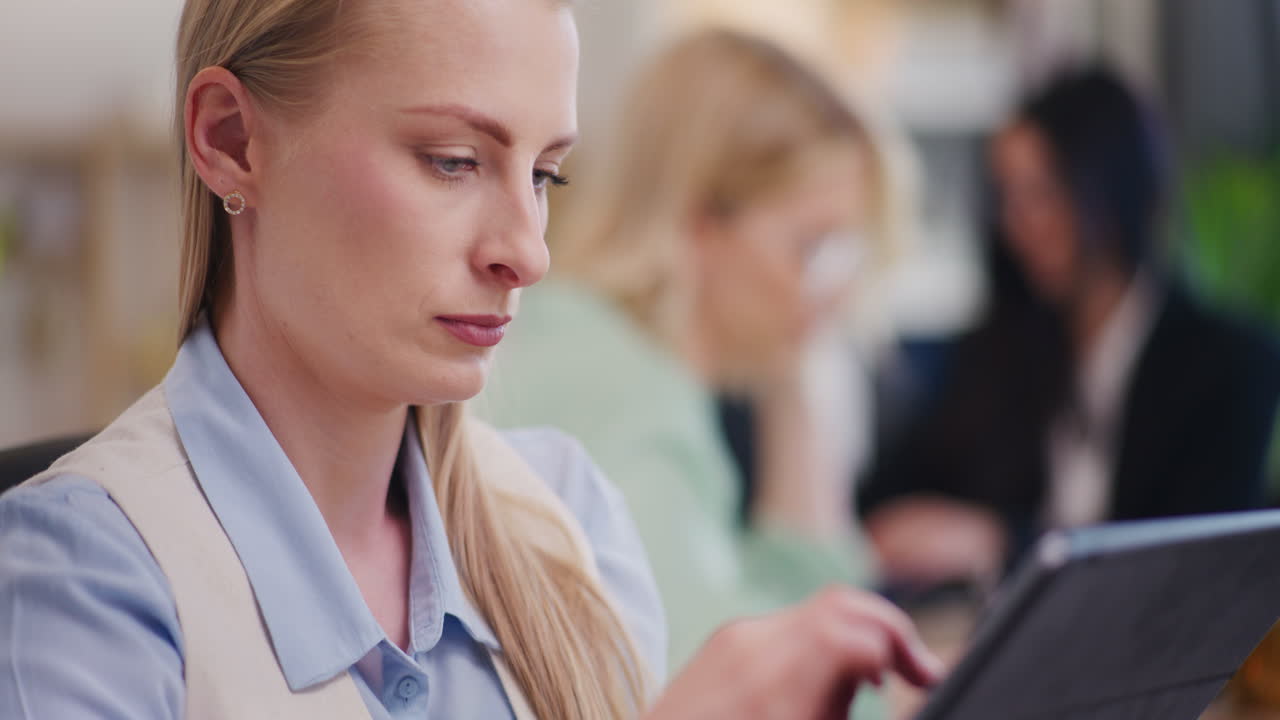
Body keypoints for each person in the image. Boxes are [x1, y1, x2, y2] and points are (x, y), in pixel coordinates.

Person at [0, 1, 940, 719]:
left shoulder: (573, 522)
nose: (528, 252)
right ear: (230, 141)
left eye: (545, 175)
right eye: (452, 160)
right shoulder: (80, 582)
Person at [479, 29, 901, 679]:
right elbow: (717, 690)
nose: (835, 294)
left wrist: (794, 389)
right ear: (700, 223)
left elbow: (775, 613)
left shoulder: (593, 343)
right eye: (812, 248)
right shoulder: (629, 397)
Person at [859, 67, 1280, 584]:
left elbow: (1192, 563)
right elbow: (886, 493)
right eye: (1008, 196)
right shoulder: (998, 349)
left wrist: (1003, 541)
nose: (1020, 222)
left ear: (1112, 185)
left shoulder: (1231, 364)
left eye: (1044, 192)